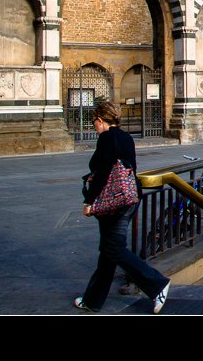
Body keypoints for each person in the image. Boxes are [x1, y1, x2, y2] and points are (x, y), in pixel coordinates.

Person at [76, 101, 170, 314]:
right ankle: (92, 300)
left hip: (113, 202)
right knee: (108, 251)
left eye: (94, 124)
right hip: (129, 198)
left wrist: (89, 201)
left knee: (114, 249)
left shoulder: (107, 138)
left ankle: (157, 285)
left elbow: (102, 173)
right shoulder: (126, 137)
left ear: (100, 120)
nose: (95, 128)